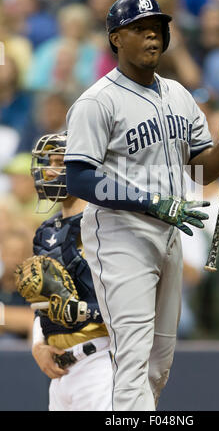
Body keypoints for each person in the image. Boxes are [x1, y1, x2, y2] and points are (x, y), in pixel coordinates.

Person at [64, 0, 219, 411]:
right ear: (116, 38)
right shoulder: (98, 101)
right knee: (132, 358)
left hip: (168, 230)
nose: (153, 33)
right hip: (120, 233)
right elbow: (77, 176)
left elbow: (199, 168)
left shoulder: (178, 95)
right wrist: (152, 202)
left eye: (159, 26)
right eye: (140, 27)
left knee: (158, 363)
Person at [30, 132, 112, 411]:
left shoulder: (107, 224)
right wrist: (38, 345)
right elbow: (42, 303)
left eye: (60, 162)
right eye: (49, 161)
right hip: (61, 371)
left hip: (103, 362)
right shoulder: (47, 232)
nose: (51, 170)